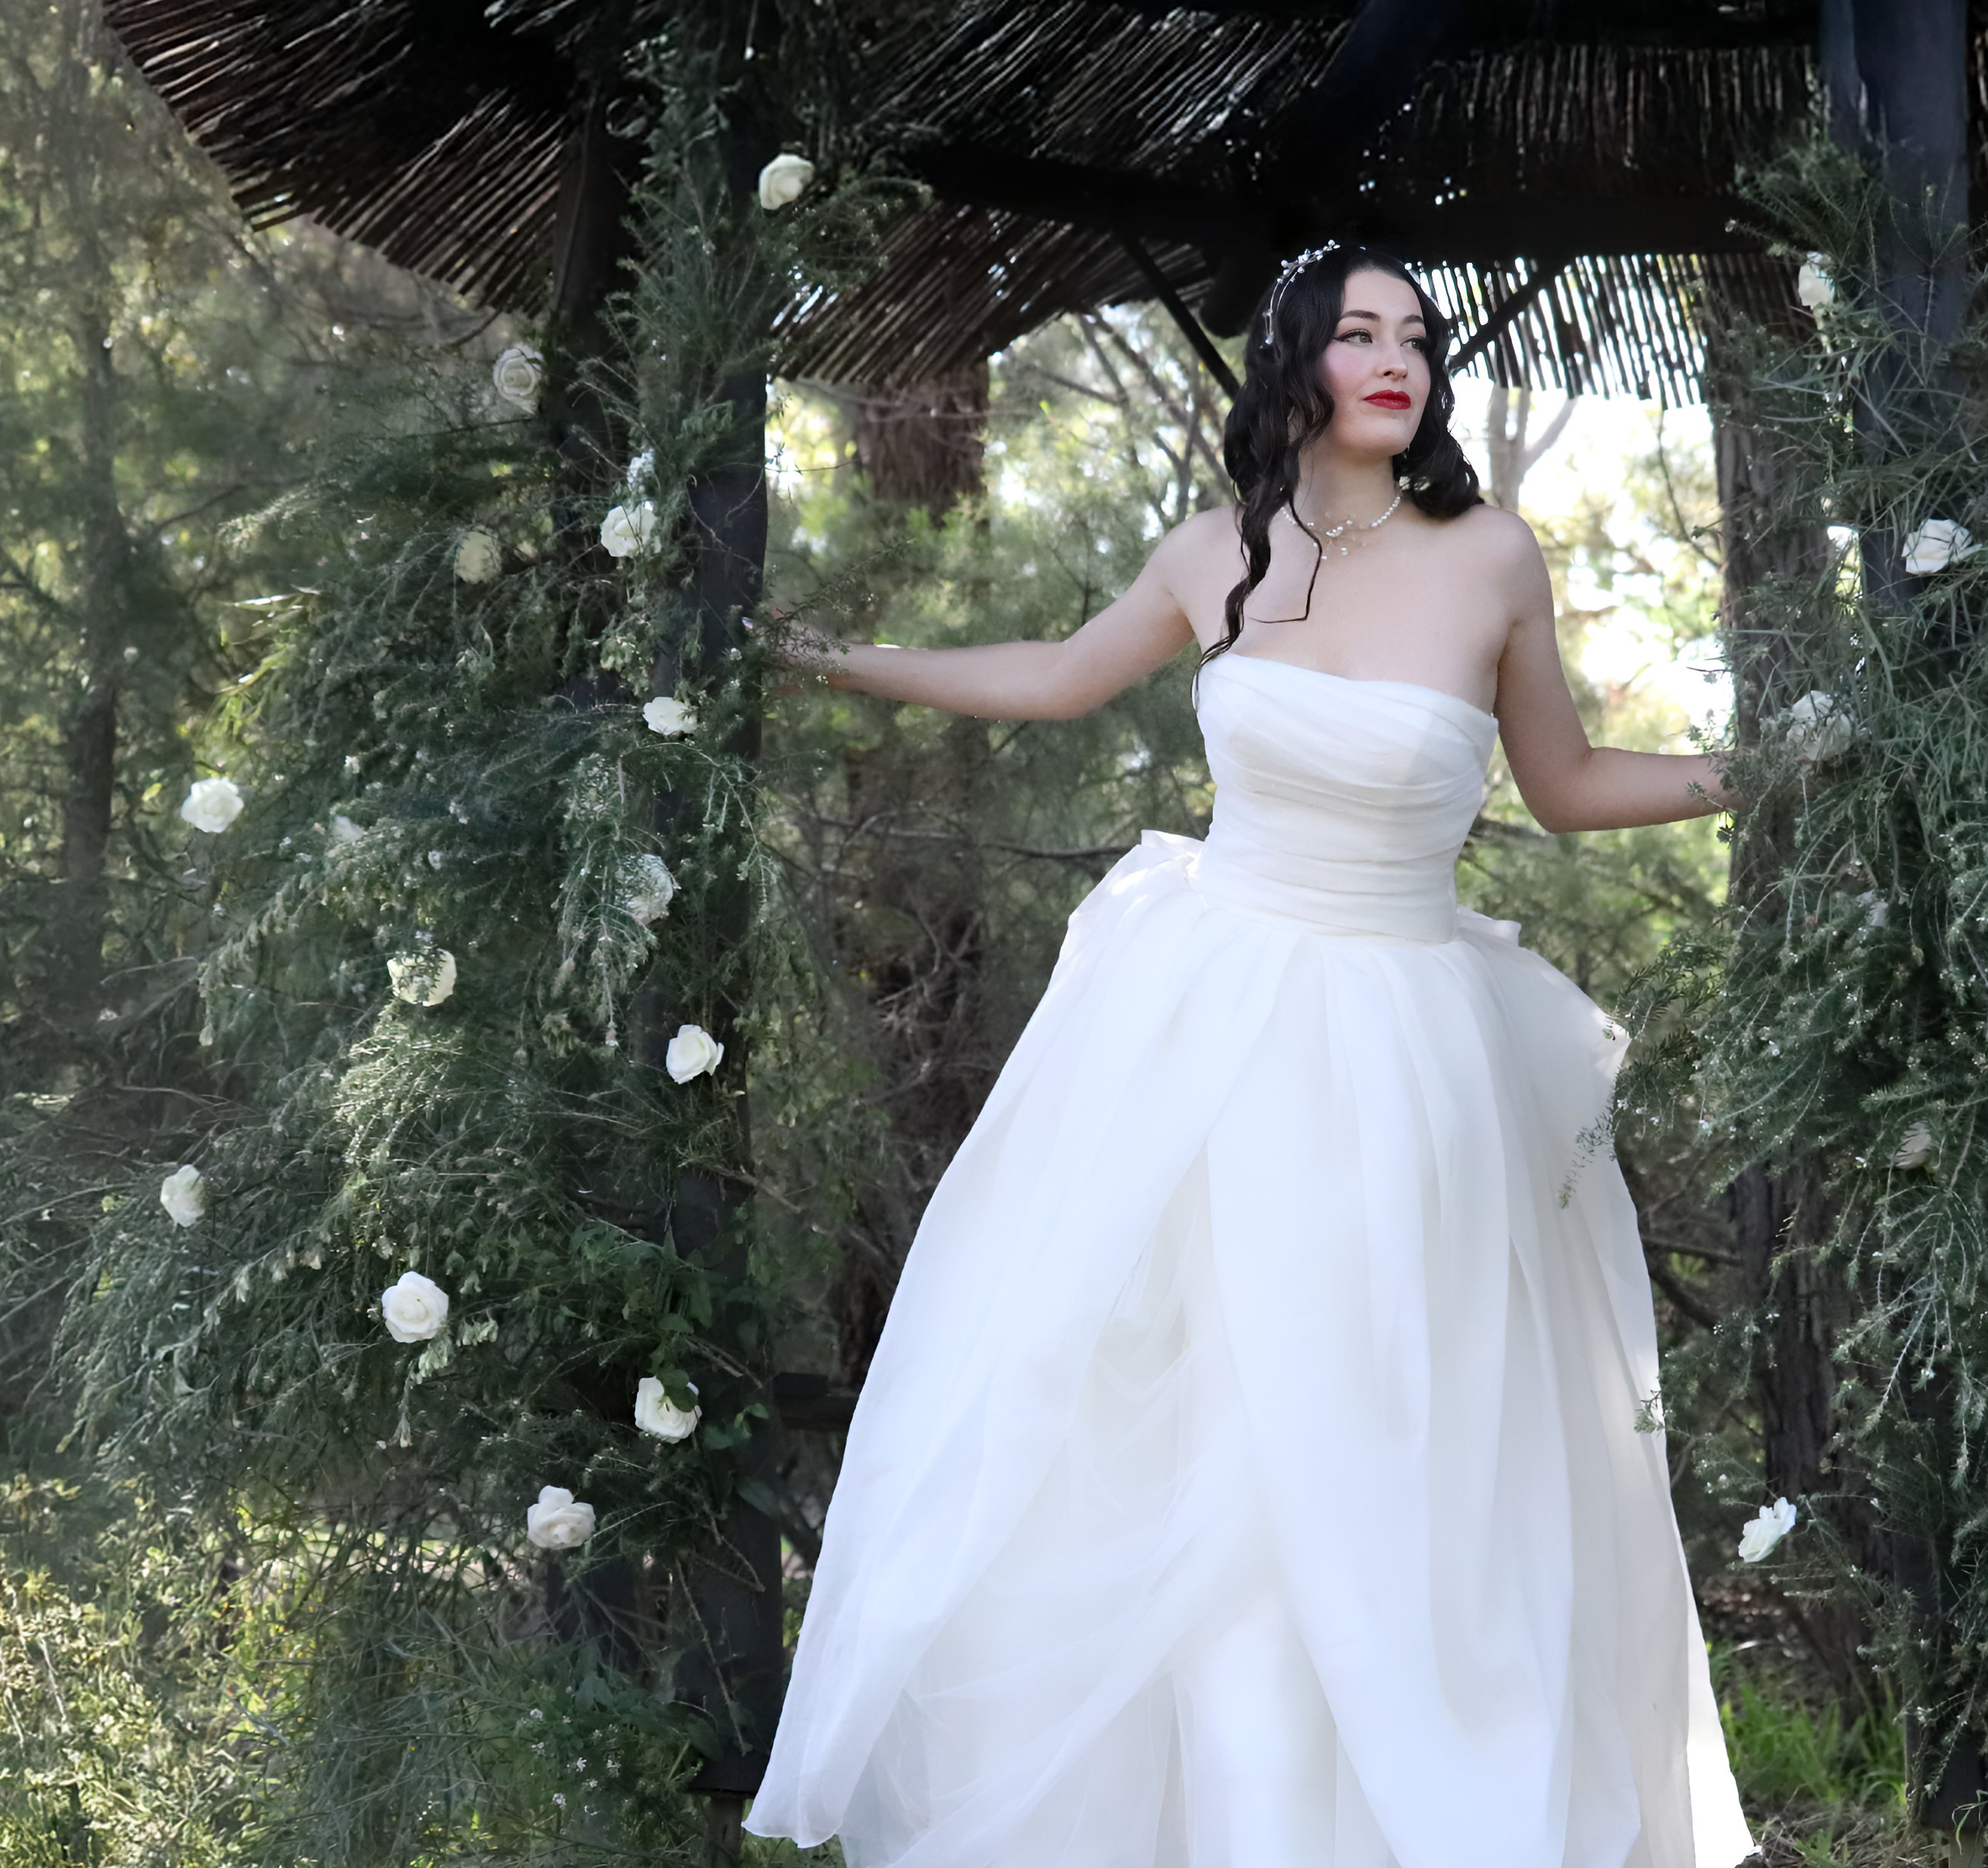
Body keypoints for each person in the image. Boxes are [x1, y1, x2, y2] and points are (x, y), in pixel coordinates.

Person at [742, 244, 1755, 1868]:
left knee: (1376, 1429)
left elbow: (1562, 784)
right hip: (1208, 1027)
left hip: (1409, 1043)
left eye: (1418, 336)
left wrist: (1764, 771)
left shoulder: (1489, 554)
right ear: (1291, 359)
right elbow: (1053, 679)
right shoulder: (1218, 549)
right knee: (1196, 1413)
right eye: (1359, 330)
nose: (1396, 355)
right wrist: (828, 655)